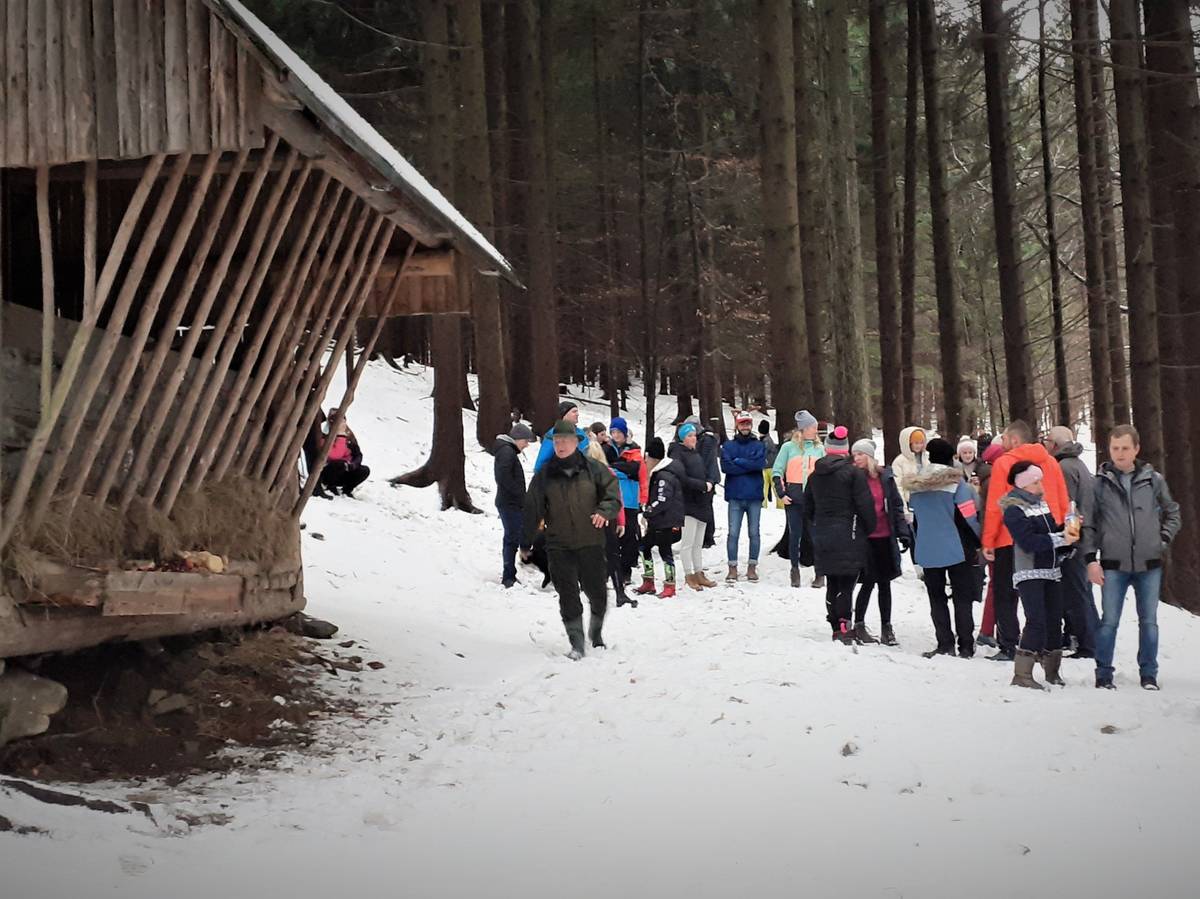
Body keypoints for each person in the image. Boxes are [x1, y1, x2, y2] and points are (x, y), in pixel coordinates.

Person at [1084, 425, 1182, 690]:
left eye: (1125, 448)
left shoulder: (1153, 480)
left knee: (1149, 621)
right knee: (1109, 622)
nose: (1120, 454)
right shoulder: (1099, 483)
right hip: (1113, 564)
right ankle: (1103, 673)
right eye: (1115, 448)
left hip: (1149, 564)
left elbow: (1173, 512)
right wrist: (1091, 559)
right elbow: (1089, 524)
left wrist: (1161, 540)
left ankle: (1148, 673)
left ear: (1136, 449)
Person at [522, 420, 622, 659]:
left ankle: (596, 634)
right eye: (556, 442)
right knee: (567, 595)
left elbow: (612, 495)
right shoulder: (545, 474)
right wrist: (525, 542)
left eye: (565, 440)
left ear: (577, 442)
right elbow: (532, 509)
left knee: (597, 593)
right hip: (559, 545)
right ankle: (576, 643)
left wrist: (604, 512)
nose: (561, 445)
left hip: (591, 543)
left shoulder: (594, 469)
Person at [981, 420, 1069, 662]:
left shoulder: (1005, 463)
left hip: (1011, 536)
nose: (1003, 443)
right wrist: (1061, 534)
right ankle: (1044, 648)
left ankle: (1010, 644)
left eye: (1006, 438)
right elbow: (1062, 498)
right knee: (1044, 594)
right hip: (1046, 533)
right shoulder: (1051, 461)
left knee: (1006, 593)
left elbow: (997, 505)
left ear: (1015, 440)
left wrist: (988, 539)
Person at [1000, 461, 1080, 689]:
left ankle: (1052, 669)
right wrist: (1060, 539)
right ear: (1024, 485)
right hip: (1029, 571)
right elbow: (1028, 541)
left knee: (1055, 619)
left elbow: (1049, 533)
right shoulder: (1014, 509)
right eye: (1036, 481)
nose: (1040, 484)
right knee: (1036, 621)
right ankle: (1022, 673)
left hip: (1051, 570)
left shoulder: (1041, 505)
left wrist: (1067, 534)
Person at [904, 438, 982, 659]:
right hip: (957, 548)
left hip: (928, 548)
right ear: (950, 458)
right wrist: (979, 541)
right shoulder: (958, 486)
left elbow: (916, 522)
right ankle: (966, 645)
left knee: (936, 597)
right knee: (962, 597)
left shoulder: (916, 488)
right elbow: (969, 519)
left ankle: (944, 643)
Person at [804, 426, 876, 644]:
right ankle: (845, 624)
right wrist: (868, 527)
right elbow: (865, 505)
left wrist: (816, 528)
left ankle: (835, 625)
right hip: (849, 533)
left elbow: (808, 508)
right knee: (846, 582)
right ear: (845, 450)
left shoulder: (815, 475)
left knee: (832, 580)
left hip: (823, 535)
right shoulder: (853, 474)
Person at [1042, 425, 1098, 658]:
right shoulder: (1078, 464)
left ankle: (1089, 644)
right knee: (1081, 591)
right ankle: (1084, 638)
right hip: (1084, 537)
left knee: (1077, 593)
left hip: (1076, 539)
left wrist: (1067, 540)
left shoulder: (1063, 467)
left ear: (1055, 444)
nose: (1044, 445)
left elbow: (1069, 506)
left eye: (1046, 441)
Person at [850, 439, 911, 646]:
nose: (856, 458)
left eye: (860, 454)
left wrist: (903, 532)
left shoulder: (885, 477)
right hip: (865, 539)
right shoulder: (854, 478)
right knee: (867, 582)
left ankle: (887, 627)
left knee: (885, 583)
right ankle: (858, 624)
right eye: (854, 454)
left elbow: (895, 504)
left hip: (885, 536)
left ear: (869, 456)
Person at [772, 410, 825, 588]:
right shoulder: (788, 447)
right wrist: (782, 494)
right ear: (802, 429)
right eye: (812, 427)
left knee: (816, 536)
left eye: (816, 427)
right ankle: (794, 570)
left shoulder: (819, 448)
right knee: (795, 536)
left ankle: (819, 573)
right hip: (793, 499)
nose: (815, 430)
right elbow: (777, 471)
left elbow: (825, 473)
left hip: (814, 500)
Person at [586, 442, 634, 608]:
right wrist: (621, 522)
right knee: (612, 556)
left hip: (590, 520)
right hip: (607, 519)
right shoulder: (609, 473)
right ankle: (619, 593)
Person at [720, 412, 767, 581]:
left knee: (754, 532)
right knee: (733, 533)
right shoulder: (728, 445)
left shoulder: (759, 445)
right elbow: (726, 467)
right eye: (742, 424)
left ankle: (752, 567)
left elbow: (760, 464)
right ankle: (732, 567)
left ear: (751, 425)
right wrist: (748, 464)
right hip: (735, 495)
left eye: (748, 423)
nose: (745, 426)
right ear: (737, 425)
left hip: (754, 495)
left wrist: (738, 461)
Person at [636, 437, 684, 598]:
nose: (645, 461)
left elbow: (663, 499)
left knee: (665, 551)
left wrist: (648, 512)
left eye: (646, 458)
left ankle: (670, 585)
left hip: (667, 521)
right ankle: (649, 581)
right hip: (658, 521)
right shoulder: (658, 474)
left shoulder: (664, 476)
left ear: (652, 458)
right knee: (644, 547)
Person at [669, 422, 714, 590]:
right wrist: (702, 486)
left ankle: (699, 572)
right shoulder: (677, 453)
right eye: (689, 435)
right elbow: (682, 478)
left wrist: (709, 482)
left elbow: (704, 472)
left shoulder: (695, 453)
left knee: (698, 542)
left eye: (694, 435)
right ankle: (689, 574)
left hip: (702, 503)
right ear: (682, 438)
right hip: (688, 504)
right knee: (687, 542)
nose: (693, 438)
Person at [493, 422, 534, 588]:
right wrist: (518, 494)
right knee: (511, 538)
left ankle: (509, 573)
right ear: (517, 439)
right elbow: (503, 477)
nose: (527, 445)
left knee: (512, 536)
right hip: (509, 503)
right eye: (525, 441)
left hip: (511, 502)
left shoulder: (507, 451)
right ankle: (508, 576)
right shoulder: (506, 452)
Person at [608, 417, 648, 581]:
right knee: (612, 535)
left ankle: (626, 570)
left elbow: (635, 469)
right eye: (613, 432)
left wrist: (614, 468)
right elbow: (603, 466)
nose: (615, 435)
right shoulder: (608, 448)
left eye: (618, 432)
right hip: (611, 496)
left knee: (629, 535)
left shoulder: (634, 450)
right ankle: (612, 568)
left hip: (630, 499)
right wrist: (621, 469)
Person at [975, 441, 1005, 648]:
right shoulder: (993, 479)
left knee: (998, 585)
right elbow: (992, 513)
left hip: (992, 539)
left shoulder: (987, 478)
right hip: (996, 540)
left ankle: (990, 628)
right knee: (999, 586)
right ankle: (989, 629)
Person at [317, 411, 370, 497]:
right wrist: (340, 436)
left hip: (345, 470)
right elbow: (335, 455)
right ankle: (330, 486)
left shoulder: (349, 437)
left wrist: (353, 465)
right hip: (329, 471)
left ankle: (347, 489)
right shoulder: (325, 437)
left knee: (364, 470)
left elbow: (358, 455)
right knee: (339, 464)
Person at [533, 401, 592, 473]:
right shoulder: (554, 433)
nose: (577, 414)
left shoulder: (581, 433)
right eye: (574, 412)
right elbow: (544, 457)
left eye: (577, 412)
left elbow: (589, 455)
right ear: (564, 414)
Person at [891, 426, 929, 507]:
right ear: (908, 443)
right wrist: (904, 509)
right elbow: (898, 486)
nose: (919, 446)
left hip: (926, 500)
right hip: (910, 503)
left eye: (921, 443)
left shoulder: (927, 458)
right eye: (916, 443)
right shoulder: (899, 462)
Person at [758, 420, 783, 510]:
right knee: (766, 486)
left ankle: (779, 504)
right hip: (769, 466)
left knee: (771, 486)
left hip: (770, 466)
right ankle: (766, 503)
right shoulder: (766, 439)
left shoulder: (766, 441)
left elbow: (763, 452)